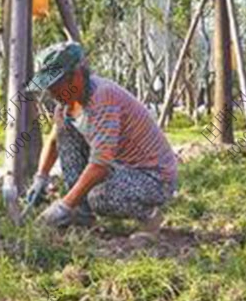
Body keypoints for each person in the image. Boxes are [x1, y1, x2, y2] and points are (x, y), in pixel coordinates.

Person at [23, 41, 178, 231]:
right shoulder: (66, 106)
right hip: (122, 169)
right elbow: (55, 141)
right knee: (65, 130)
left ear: (77, 75)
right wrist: (41, 177)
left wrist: (63, 205)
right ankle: (81, 212)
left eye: (56, 86)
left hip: (153, 177)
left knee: (99, 197)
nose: (52, 94)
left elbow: (100, 165)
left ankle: (150, 218)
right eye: (49, 88)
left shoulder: (103, 99)